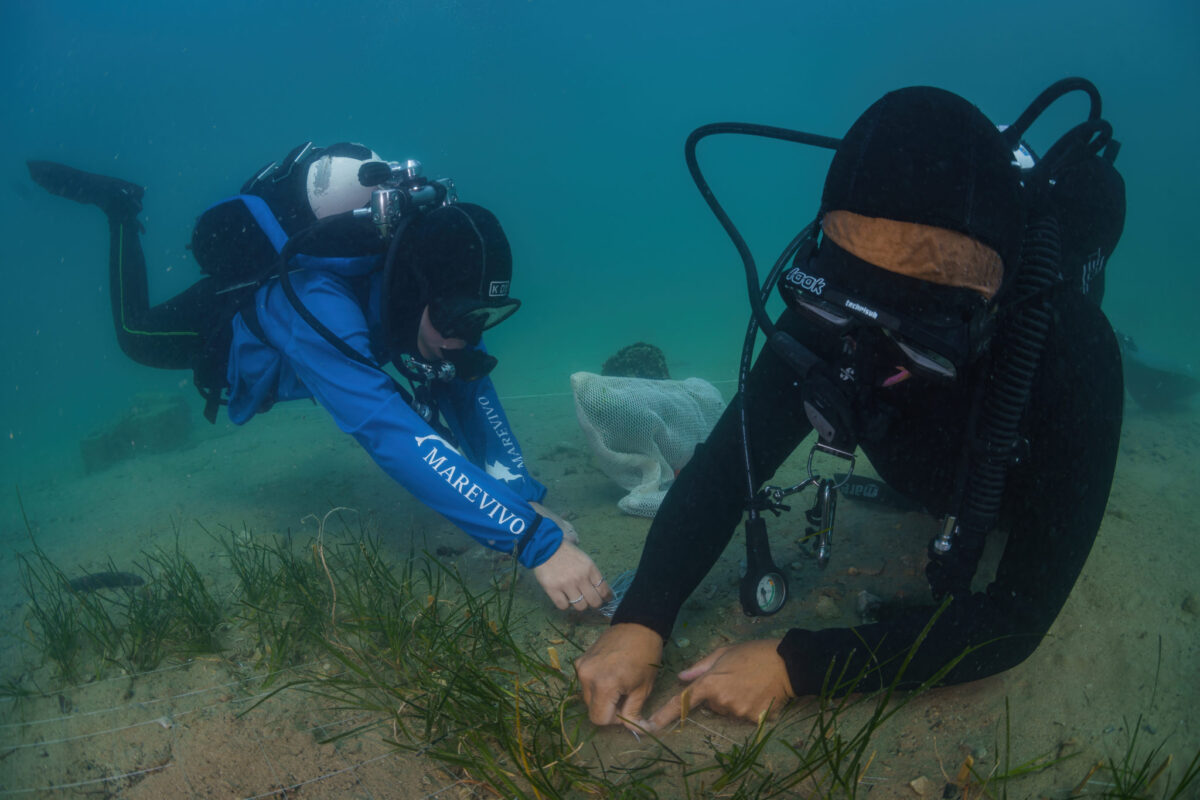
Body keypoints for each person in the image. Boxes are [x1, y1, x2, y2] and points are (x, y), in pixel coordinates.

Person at [576, 83, 1125, 727]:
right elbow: (728, 470)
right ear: (826, 259)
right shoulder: (825, 314)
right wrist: (644, 614)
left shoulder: (1071, 350)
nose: (873, 345)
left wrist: (798, 665)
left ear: (990, 306)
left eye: (922, 323)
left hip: (1001, 467)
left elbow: (1016, 619)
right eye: (852, 296)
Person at [27, 143, 613, 613]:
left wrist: (524, 500)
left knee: (447, 360)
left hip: (361, 316)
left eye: (481, 318)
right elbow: (388, 431)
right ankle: (119, 208)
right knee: (137, 336)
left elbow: (464, 376)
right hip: (225, 331)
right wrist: (529, 540)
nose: (467, 335)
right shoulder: (315, 305)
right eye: (458, 317)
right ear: (414, 294)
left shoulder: (424, 289)